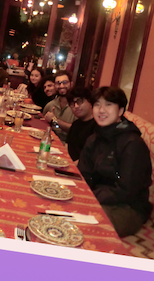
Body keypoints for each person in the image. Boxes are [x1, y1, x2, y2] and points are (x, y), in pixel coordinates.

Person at [79, 87, 152, 237]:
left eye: (108, 104)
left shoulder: (133, 144)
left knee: (83, 225)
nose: (101, 110)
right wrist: (81, 195)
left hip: (128, 207)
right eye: (97, 105)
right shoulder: (94, 139)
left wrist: (90, 197)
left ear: (120, 111)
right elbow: (83, 174)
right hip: (97, 198)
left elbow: (126, 190)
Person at [43, 71, 76, 140]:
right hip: (49, 140)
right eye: (58, 83)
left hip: (67, 144)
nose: (61, 86)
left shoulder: (77, 106)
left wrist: (55, 120)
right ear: (55, 86)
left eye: (65, 82)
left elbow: (76, 130)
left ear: (71, 84)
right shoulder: (50, 105)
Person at [66, 86, 96, 162]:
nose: (76, 106)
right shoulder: (75, 124)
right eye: (72, 104)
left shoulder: (97, 126)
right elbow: (67, 146)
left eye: (79, 101)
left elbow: (90, 157)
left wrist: (72, 166)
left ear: (90, 102)